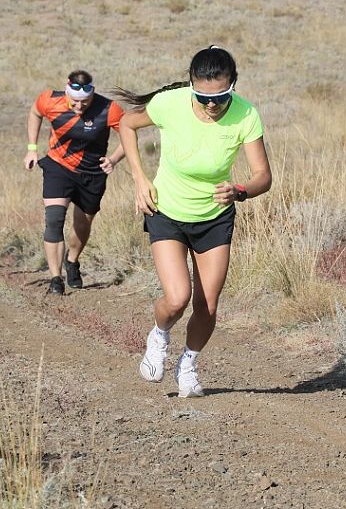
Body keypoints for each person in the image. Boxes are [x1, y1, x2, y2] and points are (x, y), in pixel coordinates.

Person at [115, 46, 272, 398]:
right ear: (191, 85)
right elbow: (126, 123)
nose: (212, 105)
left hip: (214, 219)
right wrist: (140, 178)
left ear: (234, 85)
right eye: (202, 97)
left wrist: (241, 190)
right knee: (177, 298)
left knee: (208, 305)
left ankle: (187, 365)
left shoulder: (247, 115)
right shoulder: (170, 103)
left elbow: (264, 175)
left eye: (220, 96)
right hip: (167, 212)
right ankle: (158, 335)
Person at [23, 70, 125, 295]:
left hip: (92, 174)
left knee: (82, 224)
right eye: (75, 102)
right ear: (67, 93)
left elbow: (128, 132)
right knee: (54, 219)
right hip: (58, 166)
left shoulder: (108, 109)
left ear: (93, 94)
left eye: (85, 102)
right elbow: (34, 112)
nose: (79, 107)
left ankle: (72, 261)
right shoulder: (50, 100)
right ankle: (55, 278)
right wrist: (32, 148)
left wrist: (114, 159)